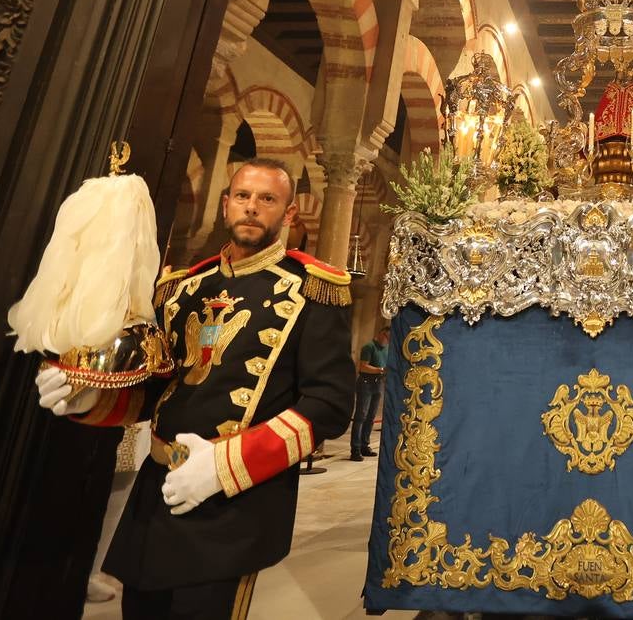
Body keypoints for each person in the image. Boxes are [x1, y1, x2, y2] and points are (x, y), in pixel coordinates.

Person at [35, 157, 356, 619]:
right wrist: (91, 396)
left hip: (234, 500)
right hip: (158, 488)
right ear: (226, 205)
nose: (252, 208)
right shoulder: (184, 288)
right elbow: (157, 389)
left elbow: (328, 405)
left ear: (288, 215)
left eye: (267, 199)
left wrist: (225, 466)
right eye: (243, 196)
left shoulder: (312, 290)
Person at [350, 325, 391, 461]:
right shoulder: (369, 347)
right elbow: (363, 366)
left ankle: (364, 446)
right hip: (366, 383)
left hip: (378, 383)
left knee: (371, 417)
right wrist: (381, 370)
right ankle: (355, 448)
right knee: (361, 415)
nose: (387, 340)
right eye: (387, 337)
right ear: (381, 334)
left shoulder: (386, 349)